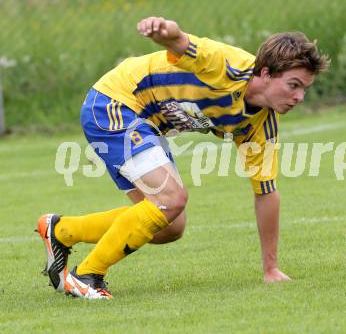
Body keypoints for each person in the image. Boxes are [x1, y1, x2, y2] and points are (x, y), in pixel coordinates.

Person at [37, 16, 329, 299]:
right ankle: (87, 275)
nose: (299, 97)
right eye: (294, 85)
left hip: (146, 123)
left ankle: (62, 231)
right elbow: (181, 43)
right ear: (265, 73)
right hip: (115, 101)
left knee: (169, 227)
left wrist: (271, 268)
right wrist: (163, 32)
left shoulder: (260, 125)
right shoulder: (227, 66)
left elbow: (266, 193)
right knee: (171, 198)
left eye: (305, 88)